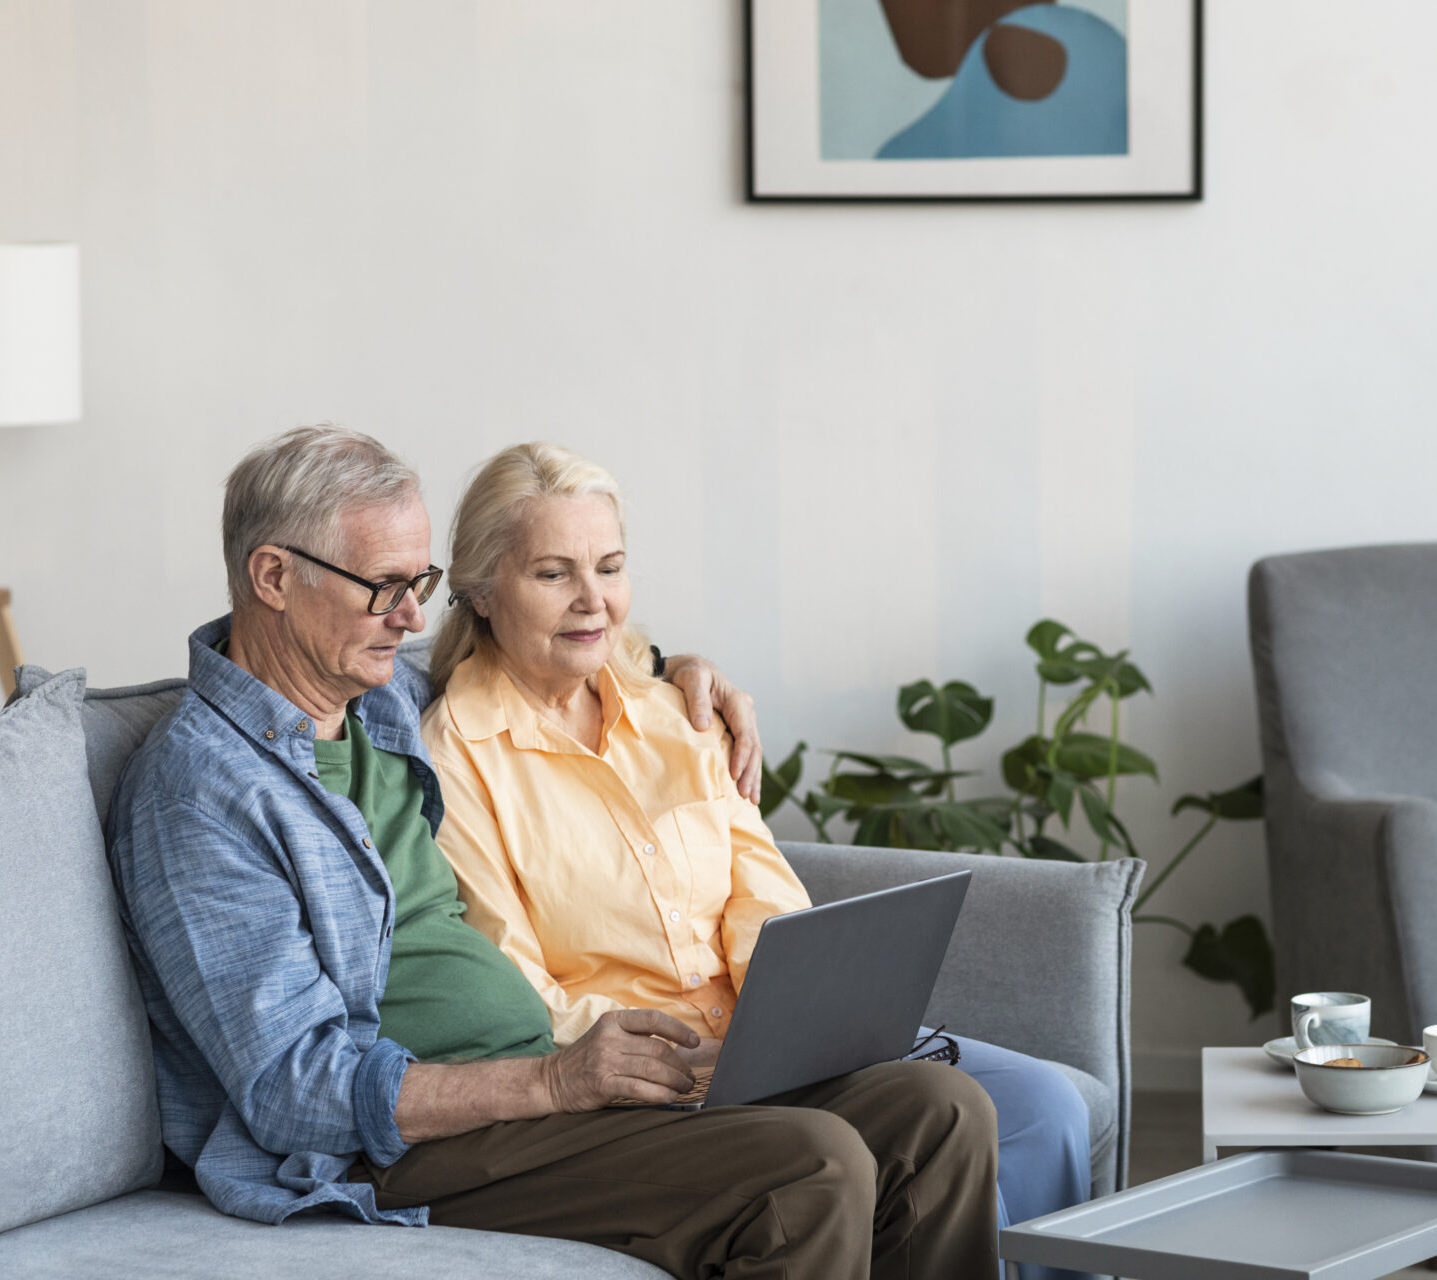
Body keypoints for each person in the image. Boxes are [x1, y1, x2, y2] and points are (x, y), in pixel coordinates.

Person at [107, 425, 1000, 1279]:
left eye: (419, 580)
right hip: (401, 1147)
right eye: (384, 587)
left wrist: (681, 668)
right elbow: (290, 1090)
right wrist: (556, 1080)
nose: (412, 612)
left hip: (541, 1082)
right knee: (808, 1166)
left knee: (937, 1112)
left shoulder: (375, 699)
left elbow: (546, 637)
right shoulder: (201, 793)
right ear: (272, 576)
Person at [419, 441, 1094, 1280]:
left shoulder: (676, 712)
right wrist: (676, 1056)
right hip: (636, 1072)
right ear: (483, 590)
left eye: (611, 567)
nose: (594, 601)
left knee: (952, 1107)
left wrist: (791, 1018)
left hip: (755, 1044)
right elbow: (513, 987)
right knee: (859, 1141)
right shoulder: (455, 756)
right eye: (553, 574)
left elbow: (763, 894)